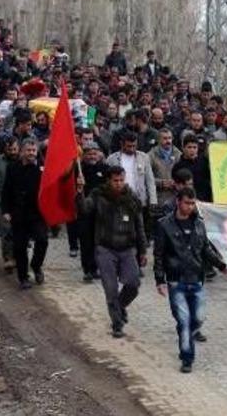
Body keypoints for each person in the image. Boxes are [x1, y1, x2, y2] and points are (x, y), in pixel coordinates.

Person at [154, 187, 227, 373]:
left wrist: (221, 265)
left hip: (196, 279)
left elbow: (205, 249)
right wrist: (160, 280)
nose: (190, 207)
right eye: (187, 203)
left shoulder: (199, 224)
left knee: (198, 318)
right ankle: (187, 358)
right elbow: (159, 255)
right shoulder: (164, 225)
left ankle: (185, 334)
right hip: (176, 280)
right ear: (178, 201)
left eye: (192, 203)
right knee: (184, 321)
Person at [77, 166, 147, 338]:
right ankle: (117, 323)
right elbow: (84, 209)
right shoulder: (98, 195)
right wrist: (79, 191)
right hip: (105, 249)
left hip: (127, 248)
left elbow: (140, 226)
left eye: (121, 180)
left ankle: (120, 306)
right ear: (108, 180)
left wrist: (143, 250)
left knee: (133, 284)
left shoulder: (132, 198)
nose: (119, 183)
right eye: (115, 180)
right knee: (111, 289)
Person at [1, 138, 48, 289]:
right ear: (22, 151)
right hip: (19, 213)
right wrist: (5, 210)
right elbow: (6, 190)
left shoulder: (43, 168)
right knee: (20, 247)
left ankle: (36, 266)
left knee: (42, 240)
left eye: (33, 150)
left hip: (38, 214)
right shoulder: (13, 168)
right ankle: (23, 278)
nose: (31, 153)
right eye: (28, 150)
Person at [107, 131, 158, 237]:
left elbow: (150, 180)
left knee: (140, 230)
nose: (132, 149)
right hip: (119, 200)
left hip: (139, 200)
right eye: (129, 146)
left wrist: (153, 199)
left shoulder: (144, 157)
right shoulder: (112, 159)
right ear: (122, 144)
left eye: (134, 146)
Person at [77, 141, 110, 281]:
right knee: (86, 241)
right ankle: (87, 269)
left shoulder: (105, 169)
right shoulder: (79, 169)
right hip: (85, 211)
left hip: (101, 211)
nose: (92, 156)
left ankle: (97, 267)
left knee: (100, 241)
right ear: (84, 155)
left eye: (94, 153)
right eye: (89, 154)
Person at [0, 137, 20, 272]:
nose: (12, 152)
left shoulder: (22, 161)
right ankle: (8, 258)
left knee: (18, 231)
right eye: (9, 149)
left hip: (19, 202)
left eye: (14, 149)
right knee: (6, 230)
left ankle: (18, 257)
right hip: (2, 202)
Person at [149, 128, 183, 208]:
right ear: (158, 140)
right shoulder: (150, 156)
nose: (168, 141)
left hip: (176, 198)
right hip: (158, 199)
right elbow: (146, 178)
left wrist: (177, 182)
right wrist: (161, 183)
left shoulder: (179, 155)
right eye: (165, 138)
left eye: (170, 138)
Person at [173, 134, 212, 202]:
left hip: (206, 200)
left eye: (194, 147)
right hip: (189, 201)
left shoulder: (205, 162)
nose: (192, 150)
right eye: (189, 147)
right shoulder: (178, 167)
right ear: (183, 148)